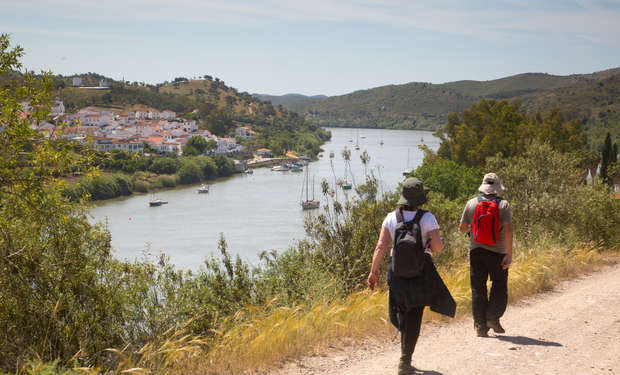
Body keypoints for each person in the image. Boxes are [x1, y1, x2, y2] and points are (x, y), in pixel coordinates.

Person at [367, 177, 455, 375]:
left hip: (395, 271)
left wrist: (373, 272)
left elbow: (381, 246)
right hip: (420, 271)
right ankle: (405, 361)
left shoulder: (391, 217)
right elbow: (438, 249)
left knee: (399, 310)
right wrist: (437, 241)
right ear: (420, 199)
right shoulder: (427, 218)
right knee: (414, 315)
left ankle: (404, 349)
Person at [459, 172, 513, 337]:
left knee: (478, 288)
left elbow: (462, 228)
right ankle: (492, 316)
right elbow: (508, 230)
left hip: (476, 252)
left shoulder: (471, 203)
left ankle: (480, 326)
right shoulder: (503, 205)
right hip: (498, 252)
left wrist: (474, 229)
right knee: (499, 285)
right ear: (497, 188)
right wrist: (509, 253)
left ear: (483, 186)